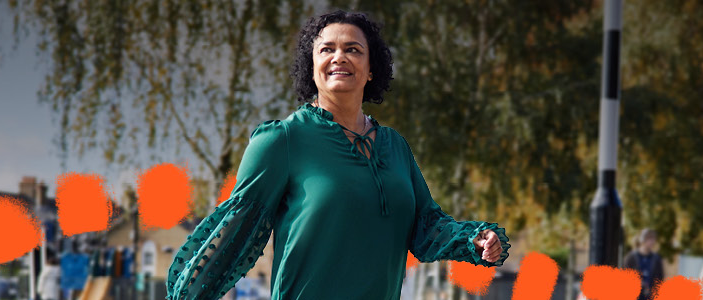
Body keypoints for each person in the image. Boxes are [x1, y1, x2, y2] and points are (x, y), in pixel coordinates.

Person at [166, 10, 511, 300]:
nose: (339, 57)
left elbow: (427, 226)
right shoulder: (282, 140)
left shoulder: (395, 147)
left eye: (353, 49)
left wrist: (473, 239)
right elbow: (232, 234)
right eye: (326, 49)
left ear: (371, 69)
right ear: (312, 65)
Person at [622, 229, 664, 300]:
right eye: (650, 238)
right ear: (643, 240)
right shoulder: (631, 258)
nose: (652, 242)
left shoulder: (656, 259)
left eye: (653, 239)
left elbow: (660, 280)